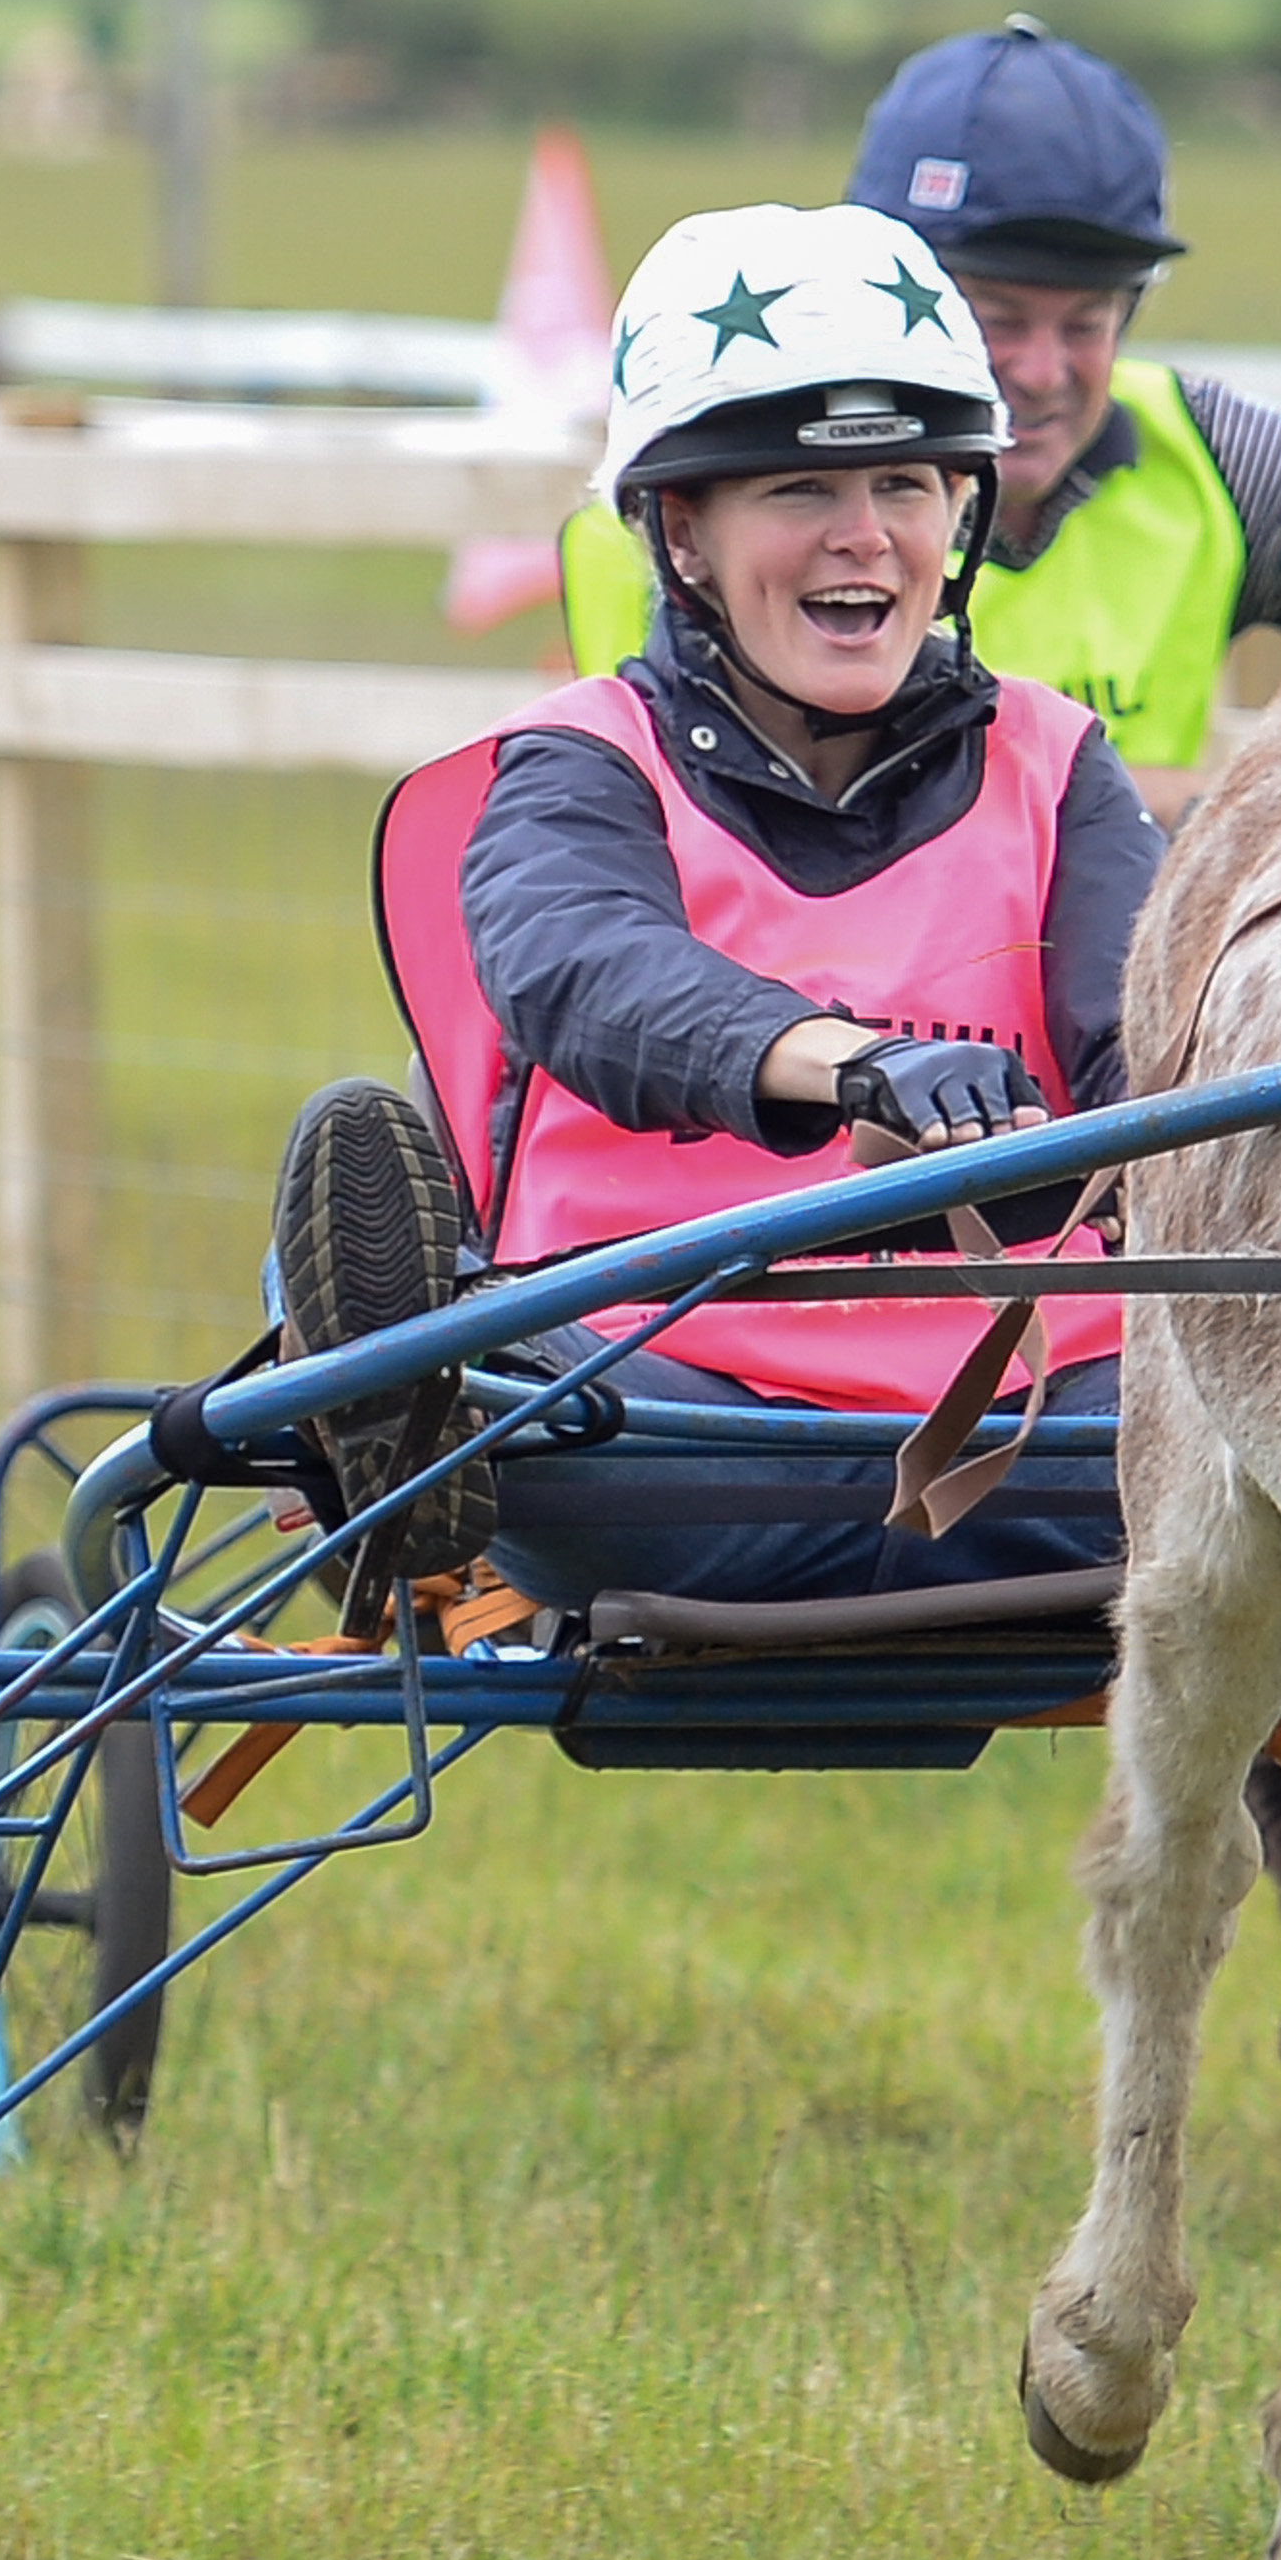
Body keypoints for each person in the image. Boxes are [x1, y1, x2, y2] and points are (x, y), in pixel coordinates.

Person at [280, 196, 1154, 1614]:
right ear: (683, 534)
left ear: (962, 514)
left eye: (909, 489)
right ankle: (401, 1412)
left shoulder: (1059, 768)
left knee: (1267, 1414)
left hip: (1034, 1404)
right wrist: (863, 1069)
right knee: (512, 1397)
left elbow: (1153, 1040)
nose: (865, 540)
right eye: (801, 492)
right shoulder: (581, 765)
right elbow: (586, 972)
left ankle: (395, 1396)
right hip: (660, 1401)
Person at [559, 17, 1281, 806]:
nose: (1041, 371)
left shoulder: (1209, 452)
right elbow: (761, 818)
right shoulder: (669, 515)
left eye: (1089, 323)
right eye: (994, 319)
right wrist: (1195, 801)